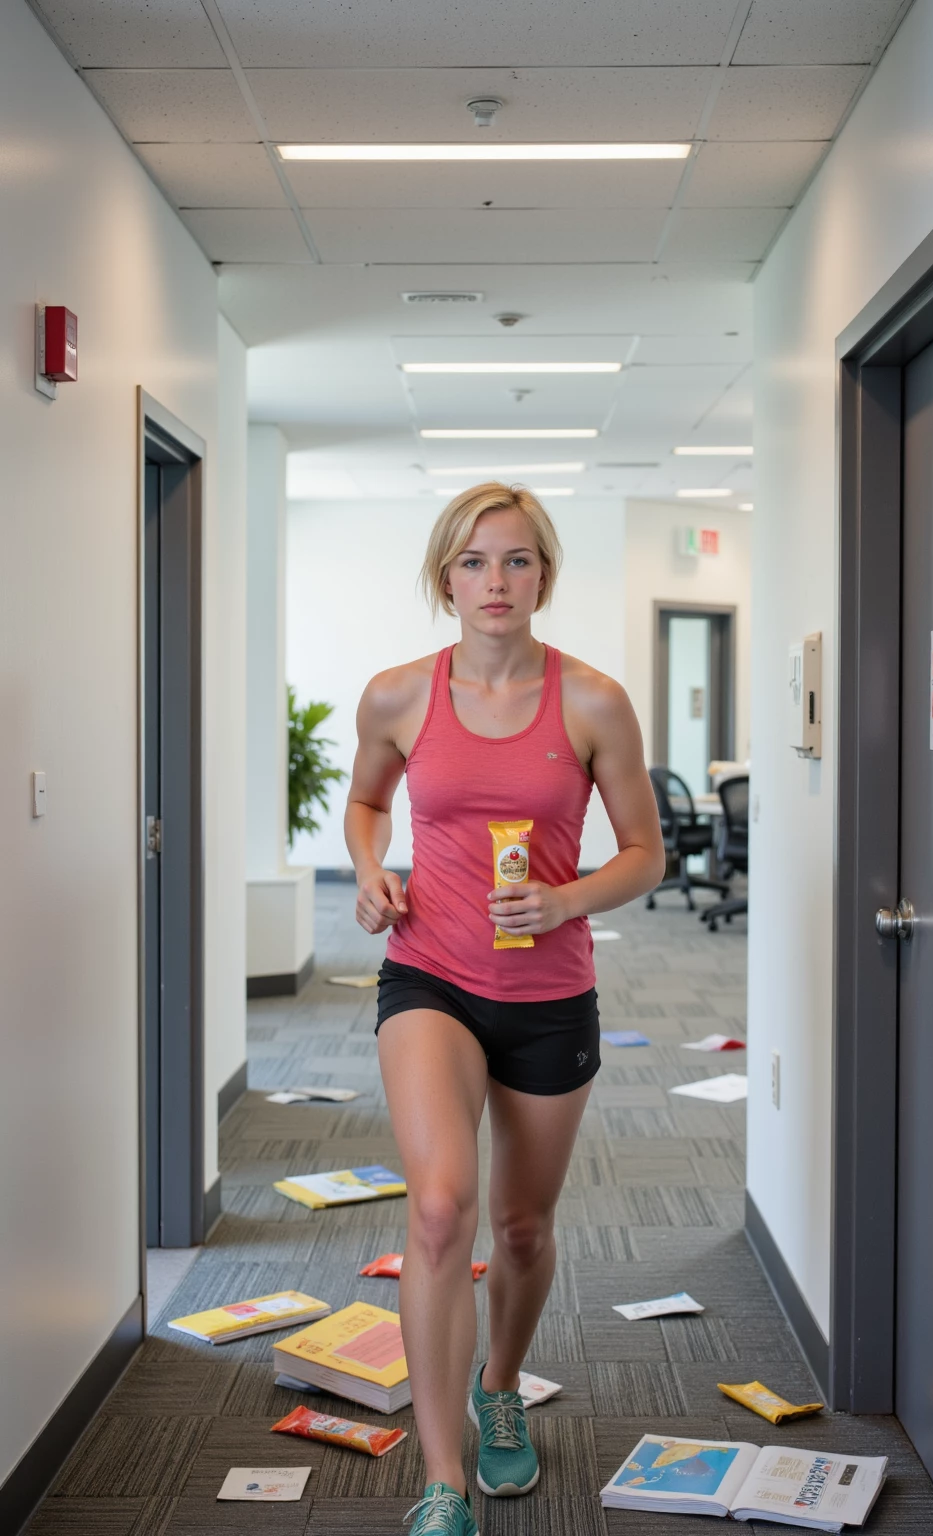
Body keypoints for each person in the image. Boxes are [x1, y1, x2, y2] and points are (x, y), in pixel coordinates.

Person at [344, 483, 664, 1536]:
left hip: (548, 992)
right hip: (427, 975)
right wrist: (367, 869)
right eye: (475, 561)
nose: (496, 581)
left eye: (517, 561)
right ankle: (440, 1480)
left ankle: (499, 1387)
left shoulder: (593, 702)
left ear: (544, 577)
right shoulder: (396, 695)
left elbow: (646, 853)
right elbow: (366, 801)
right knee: (440, 1208)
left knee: (521, 1229)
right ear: (445, 577)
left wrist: (566, 897)